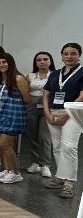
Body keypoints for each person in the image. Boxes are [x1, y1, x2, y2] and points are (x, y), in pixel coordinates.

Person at [43, 43, 83, 198]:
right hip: (53, 112)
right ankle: (60, 178)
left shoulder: (81, 72)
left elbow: (82, 95)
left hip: (73, 114)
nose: (69, 56)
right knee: (57, 147)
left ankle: (69, 184)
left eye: (73, 53)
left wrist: (67, 113)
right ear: (61, 56)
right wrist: (47, 113)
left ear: (79, 55)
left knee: (69, 147)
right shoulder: (55, 74)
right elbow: (46, 95)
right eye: (66, 53)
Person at [0, 53, 31, 184]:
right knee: (4, 146)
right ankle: (7, 170)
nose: (1, 65)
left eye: (4, 62)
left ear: (11, 63)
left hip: (13, 115)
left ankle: (16, 173)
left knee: (3, 145)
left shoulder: (18, 78)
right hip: (1, 115)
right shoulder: (1, 79)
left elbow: (27, 99)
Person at [25, 51, 55, 178]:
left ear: (50, 61)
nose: (42, 62)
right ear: (35, 62)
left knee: (44, 137)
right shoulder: (30, 76)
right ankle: (35, 162)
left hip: (48, 107)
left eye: (45, 59)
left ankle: (45, 165)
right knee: (32, 135)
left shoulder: (55, 75)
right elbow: (25, 91)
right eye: (39, 60)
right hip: (32, 106)